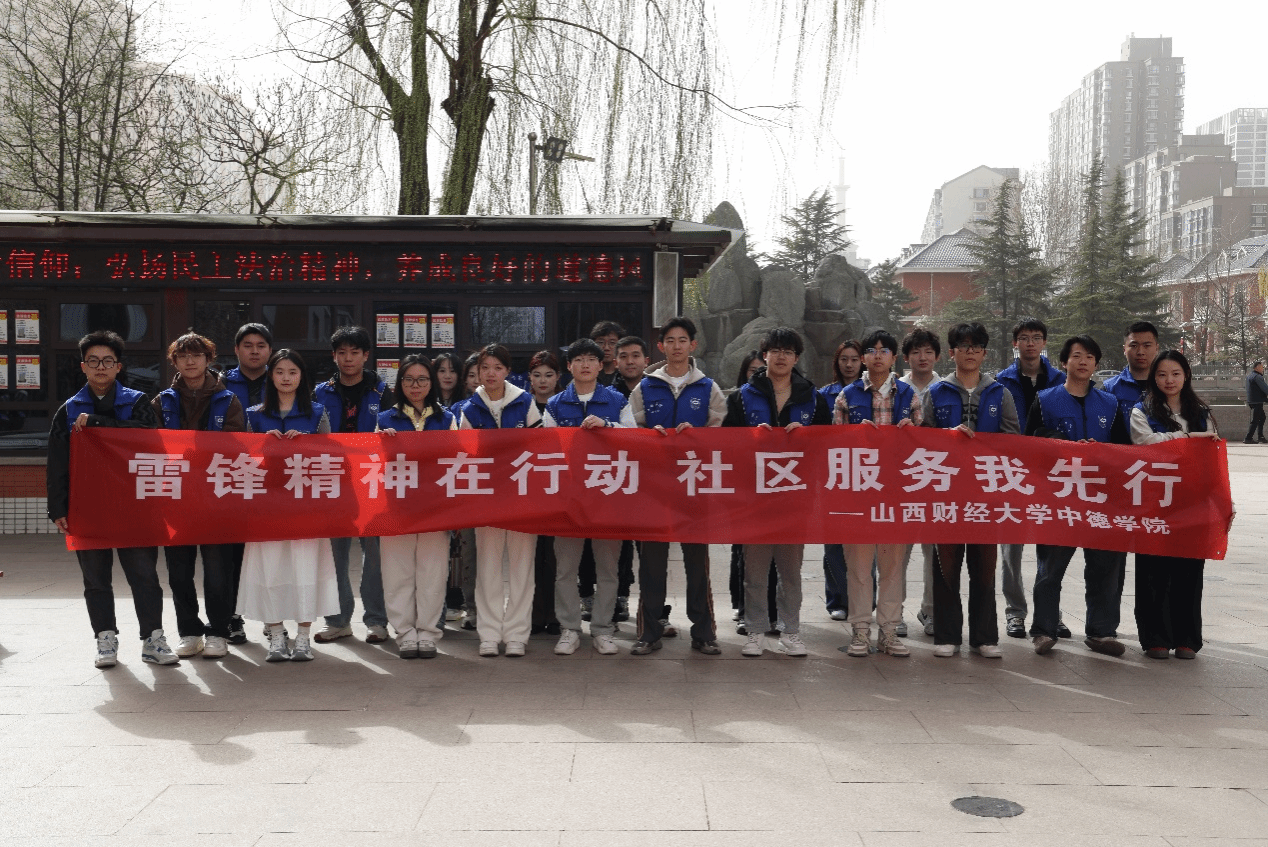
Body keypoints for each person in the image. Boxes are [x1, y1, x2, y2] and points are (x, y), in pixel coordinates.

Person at [47, 330, 178, 668]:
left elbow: (151, 440)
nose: (101, 367)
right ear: (83, 366)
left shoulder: (137, 402)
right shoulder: (68, 410)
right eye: (93, 361)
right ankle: (105, 639)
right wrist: (58, 507)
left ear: (119, 366)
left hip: (134, 505)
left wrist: (98, 423)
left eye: (107, 361)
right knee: (95, 579)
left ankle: (153, 639)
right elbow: (57, 462)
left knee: (144, 576)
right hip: (87, 508)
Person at [725, 326, 831, 657]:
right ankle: (755, 630)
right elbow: (726, 444)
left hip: (794, 498)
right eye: (775, 351)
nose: (781, 357)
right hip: (753, 497)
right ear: (765, 355)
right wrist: (750, 437)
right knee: (754, 570)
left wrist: (807, 436)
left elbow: (827, 445)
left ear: (796, 358)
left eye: (788, 351)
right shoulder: (741, 397)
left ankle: (791, 631)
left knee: (790, 571)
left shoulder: (813, 398)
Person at [627, 316, 728, 655]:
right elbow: (629, 431)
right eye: (669, 340)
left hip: (694, 486)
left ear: (692, 345)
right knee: (651, 565)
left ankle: (704, 633)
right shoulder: (645, 388)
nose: (676, 346)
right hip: (653, 488)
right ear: (661, 346)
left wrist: (698, 436)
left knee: (697, 564)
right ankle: (649, 632)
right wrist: (648, 435)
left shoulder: (708, 387)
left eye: (682, 340)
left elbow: (722, 434)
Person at [1027, 335, 1131, 658]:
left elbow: (1124, 450)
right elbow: (1029, 444)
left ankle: (1101, 632)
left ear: (1096, 363)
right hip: (1059, 498)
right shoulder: (1045, 400)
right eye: (1076, 355)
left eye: (1089, 356)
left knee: (1105, 568)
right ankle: (1043, 630)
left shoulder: (1110, 404)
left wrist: (1102, 453)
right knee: (1050, 569)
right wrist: (1063, 442)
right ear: (1064, 362)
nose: (1083, 361)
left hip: (1100, 499)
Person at [921, 322, 1018, 658]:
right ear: (952, 353)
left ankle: (984, 637)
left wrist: (982, 445)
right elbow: (923, 440)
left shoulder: (1000, 393)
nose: (970, 352)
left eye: (976, 346)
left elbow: (1013, 441)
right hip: (947, 494)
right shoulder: (936, 393)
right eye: (963, 346)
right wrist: (949, 438)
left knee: (984, 567)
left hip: (985, 496)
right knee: (946, 567)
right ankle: (947, 636)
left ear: (984, 353)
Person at [153, 331, 246, 660]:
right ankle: (189, 632)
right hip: (175, 499)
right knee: (179, 572)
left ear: (209, 359)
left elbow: (237, 446)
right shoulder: (162, 401)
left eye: (196, 355)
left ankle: (218, 632)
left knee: (218, 571)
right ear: (174, 362)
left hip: (216, 498)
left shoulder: (229, 400)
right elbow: (147, 444)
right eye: (182, 356)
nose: (189, 361)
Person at [239, 349, 337, 662]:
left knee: (305, 568)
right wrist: (261, 444)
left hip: (306, 506)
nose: (285, 378)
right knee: (270, 568)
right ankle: (277, 635)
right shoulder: (254, 414)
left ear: (301, 377)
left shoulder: (317, 412)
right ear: (270, 376)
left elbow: (331, 458)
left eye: (292, 372)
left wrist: (307, 443)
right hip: (266, 506)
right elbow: (242, 461)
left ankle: (304, 637)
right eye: (279, 372)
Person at [542, 338, 636, 656]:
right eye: (579, 359)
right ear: (569, 366)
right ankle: (569, 628)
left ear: (600, 365)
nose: (585, 364)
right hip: (568, 500)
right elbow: (548, 449)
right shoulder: (555, 404)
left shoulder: (617, 400)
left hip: (608, 496)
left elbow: (635, 439)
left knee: (607, 569)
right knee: (566, 570)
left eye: (591, 359)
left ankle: (602, 629)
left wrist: (607, 426)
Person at [1130, 350, 1223, 659]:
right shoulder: (1142, 410)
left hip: (1192, 502)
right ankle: (1155, 638)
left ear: (1186, 376)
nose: (1168, 380)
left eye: (1175, 374)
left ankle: (1187, 638)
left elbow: (1211, 454)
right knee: (1152, 570)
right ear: (1153, 378)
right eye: (1161, 374)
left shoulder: (1201, 411)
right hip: (1154, 502)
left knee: (1189, 571)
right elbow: (1144, 443)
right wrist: (1189, 437)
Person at [834, 329, 920, 658]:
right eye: (872, 350)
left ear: (894, 357)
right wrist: (853, 435)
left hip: (897, 495)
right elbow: (833, 444)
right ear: (864, 357)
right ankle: (860, 631)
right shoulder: (847, 396)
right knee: (858, 568)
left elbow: (926, 445)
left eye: (884, 350)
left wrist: (912, 433)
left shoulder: (909, 395)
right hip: (859, 495)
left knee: (893, 567)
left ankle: (889, 631)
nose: (878, 355)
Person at [458, 343, 541, 656]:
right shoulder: (470, 409)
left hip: (522, 498)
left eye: (497, 367)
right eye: (485, 368)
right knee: (488, 569)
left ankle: (517, 634)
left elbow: (541, 447)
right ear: (477, 372)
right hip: (486, 499)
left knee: (522, 568)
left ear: (507, 371)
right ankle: (489, 634)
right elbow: (464, 456)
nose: (490, 373)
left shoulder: (525, 402)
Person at [312, 326, 392, 646]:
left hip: (371, 483)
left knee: (375, 557)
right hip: (333, 482)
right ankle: (338, 621)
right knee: (335, 556)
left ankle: (376, 621)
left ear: (365, 356)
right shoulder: (320, 393)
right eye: (342, 353)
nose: (348, 359)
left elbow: (395, 431)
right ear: (334, 356)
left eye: (354, 353)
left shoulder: (382, 392)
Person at [377, 355, 457, 659]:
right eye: (409, 379)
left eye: (422, 379)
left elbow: (458, 460)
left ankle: (428, 633)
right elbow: (371, 463)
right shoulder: (385, 419)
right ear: (399, 383)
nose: (415, 385)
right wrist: (381, 442)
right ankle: (405, 633)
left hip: (436, 507)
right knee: (397, 573)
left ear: (431, 383)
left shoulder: (447, 419)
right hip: (395, 507)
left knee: (432, 573)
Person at [993, 318, 1066, 640]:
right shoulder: (1001, 382)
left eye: (1036, 337)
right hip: (1012, 473)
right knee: (1011, 549)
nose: (1031, 343)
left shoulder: (1060, 380)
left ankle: (1052, 615)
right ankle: (1015, 613)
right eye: (1024, 338)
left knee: (1051, 549)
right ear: (1015, 344)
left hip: (1051, 473)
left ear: (1044, 342)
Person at [222, 322, 274, 646]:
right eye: (248, 345)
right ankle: (232, 619)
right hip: (233, 478)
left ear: (270, 350)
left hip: (273, 480)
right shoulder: (220, 383)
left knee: (269, 554)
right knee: (232, 555)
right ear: (236, 350)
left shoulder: (282, 378)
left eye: (261, 345)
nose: (254, 351)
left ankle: (274, 621)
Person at [728, 351, 777, 636]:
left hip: (775, 486)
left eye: (762, 368)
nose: (758, 374)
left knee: (773, 554)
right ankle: (743, 606)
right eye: (752, 370)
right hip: (745, 486)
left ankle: (772, 611)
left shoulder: (780, 399)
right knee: (743, 552)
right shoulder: (739, 400)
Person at [898, 328, 942, 637]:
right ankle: (894, 610)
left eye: (928, 351)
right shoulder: (896, 388)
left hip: (936, 479)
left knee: (934, 551)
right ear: (906, 357)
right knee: (897, 551)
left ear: (937, 356)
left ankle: (931, 610)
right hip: (900, 480)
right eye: (916, 352)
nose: (922, 357)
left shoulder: (947, 388)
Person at [819, 340, 863, 621]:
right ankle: (837, 600)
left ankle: (863, 599)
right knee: (833, 543)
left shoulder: (871, 393)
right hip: (833, 476)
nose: (849, 364)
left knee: (864, 542)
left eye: (854, 359)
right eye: (844, 359)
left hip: (866, 476)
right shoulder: (823, 395)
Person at [524, 350, 564, 635]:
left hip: (559, 490)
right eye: (537, 375)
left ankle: (556, 614)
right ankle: (535, 615)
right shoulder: (521, 405)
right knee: (532, 557)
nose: (543, 381)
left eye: (549, 375)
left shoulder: (563, 405)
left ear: (558, 377)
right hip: (527, 490)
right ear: (529, 378)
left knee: (556, 556)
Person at [1103, 321, 1160, 427]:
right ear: (1124, 349)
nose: (1140, 352)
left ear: (1157, 348)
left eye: (1147, 346)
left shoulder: (1168, 385)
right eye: (1134, 346)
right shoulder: (1109, 389)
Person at [590, 320, 625, 387]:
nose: (606, 348)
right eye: (601, 342)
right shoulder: (586, 373)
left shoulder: (626, 374)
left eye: (612, 343)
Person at [1244, 360, 1267, 444]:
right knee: (1255, 420)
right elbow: (1265, 389)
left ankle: (1260, 436)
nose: (1262, 369)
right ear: (1256, 368)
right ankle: (1248, 438)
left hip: (1252, 400)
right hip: (1257, 401)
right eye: (1261, 367)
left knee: (1262, 417)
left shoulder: (1249, 376)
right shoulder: (1257, 377)